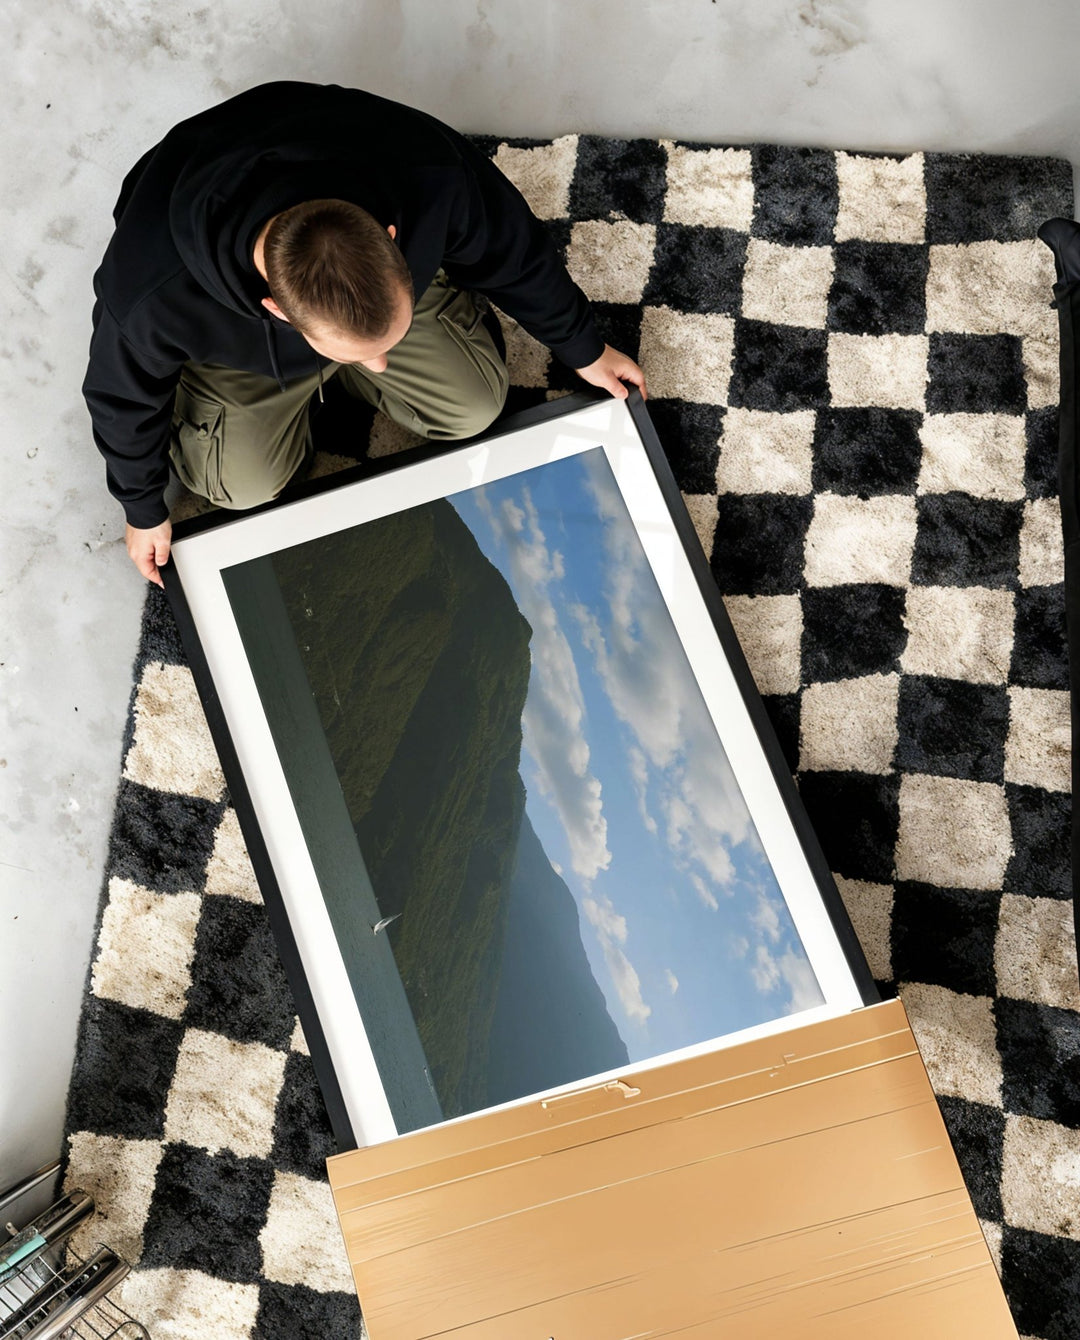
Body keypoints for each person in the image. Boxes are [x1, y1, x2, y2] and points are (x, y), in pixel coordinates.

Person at [83, 82, 647, 586]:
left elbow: (514, 251)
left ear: (393, 238)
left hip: (359, 271)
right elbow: (120, 395)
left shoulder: (428, 168)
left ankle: (375, 330)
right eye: (361, 356)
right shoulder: (151, 294)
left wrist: (583, 346)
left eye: (384, 345)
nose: (379, 365)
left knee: (474, 408)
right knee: (241, 488)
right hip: (235, 357)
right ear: (278, 311)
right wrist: (141, 507)